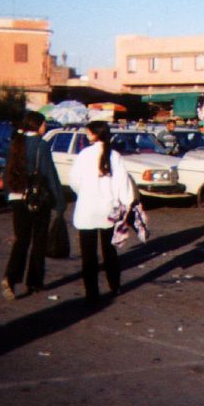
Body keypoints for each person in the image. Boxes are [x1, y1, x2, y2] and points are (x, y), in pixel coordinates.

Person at [1, 112, 66, 300]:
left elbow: (7, 172)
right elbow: (50, 175)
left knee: (21, 240)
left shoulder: (15, 143)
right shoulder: (41, 146)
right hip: (38, 199)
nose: (45, 127)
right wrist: (60, 203)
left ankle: (10, 278)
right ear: (37, 126)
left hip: (17, 197)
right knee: (38, 241)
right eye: (44, 124)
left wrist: (9, 195)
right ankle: (35, 281)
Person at [70, 121, 135, 305]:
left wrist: (84, 194)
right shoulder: (115, 156)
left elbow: (74, 181)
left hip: (87, 210)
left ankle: (92, 293)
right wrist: (126, 203)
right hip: (108, 210)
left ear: (93, 134)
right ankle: (115, 285)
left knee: (88, 255)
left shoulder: (84, 155)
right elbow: (123, 185)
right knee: (109, 251)